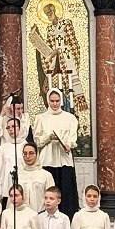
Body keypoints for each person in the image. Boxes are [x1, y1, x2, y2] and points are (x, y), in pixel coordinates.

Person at [32, 90, 79, 218]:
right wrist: (49, 137)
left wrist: (69, 144)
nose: (54, 104)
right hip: (47, 159)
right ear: (48, 101)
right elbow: (37, 141)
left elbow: (73, 137)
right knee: (49, 191)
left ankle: (67, 219)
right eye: (52, 101)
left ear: (61, 101)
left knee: (66, 192)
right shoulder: (41, 118)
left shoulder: (70, 118)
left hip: (64, 159)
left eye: (57, 101)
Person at [16, 142, 52, 214]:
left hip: (40, 215)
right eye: (25, 153)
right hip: (21, 215)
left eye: (31, 153)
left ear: (37, 154)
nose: (28, 156)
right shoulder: (17, 174)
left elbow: (51, 198)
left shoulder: (46, 175)